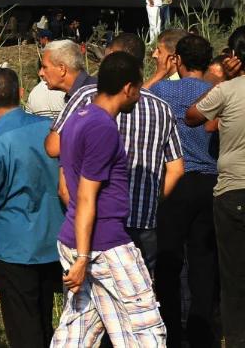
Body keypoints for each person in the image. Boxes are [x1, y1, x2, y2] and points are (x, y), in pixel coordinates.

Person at [51, 51, 166, 346]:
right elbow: (88, 196)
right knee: (146, 328)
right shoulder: (103, 127)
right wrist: (83, 257)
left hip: (76, 235)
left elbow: (67, 186)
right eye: (139, 89)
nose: (139, 96)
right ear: (128, 87)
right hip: (105, 243)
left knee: (80, 326)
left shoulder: (79, 116)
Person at [46, 33, 183, 273]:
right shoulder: (162, 108)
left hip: (95, 223)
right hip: (141, 220)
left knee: (92, 299)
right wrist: (151, 200)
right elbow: (176, 168)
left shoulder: (87, 101)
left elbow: (54, 146)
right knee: (139, 297)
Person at [0, 69, 64, 348]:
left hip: (14, 246)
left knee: (23, 324)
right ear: (21, 93)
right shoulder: (50, 128)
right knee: (45, 316)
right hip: (52, 237)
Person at [149, 35, 219, 346]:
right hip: (209, 180)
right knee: (203, 260)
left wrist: (161, 71)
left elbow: (137, 97)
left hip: (175, 180)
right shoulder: (217, 92)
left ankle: (172, 331)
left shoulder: (164, 90)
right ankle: (202, 330)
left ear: (178, 59)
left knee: (169, 258)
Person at [185, 25, 245, 347]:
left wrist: (219, 80)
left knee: (234, 279)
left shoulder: (227, 90)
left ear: (234, 57)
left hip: (233, 193)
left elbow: (193, 116)